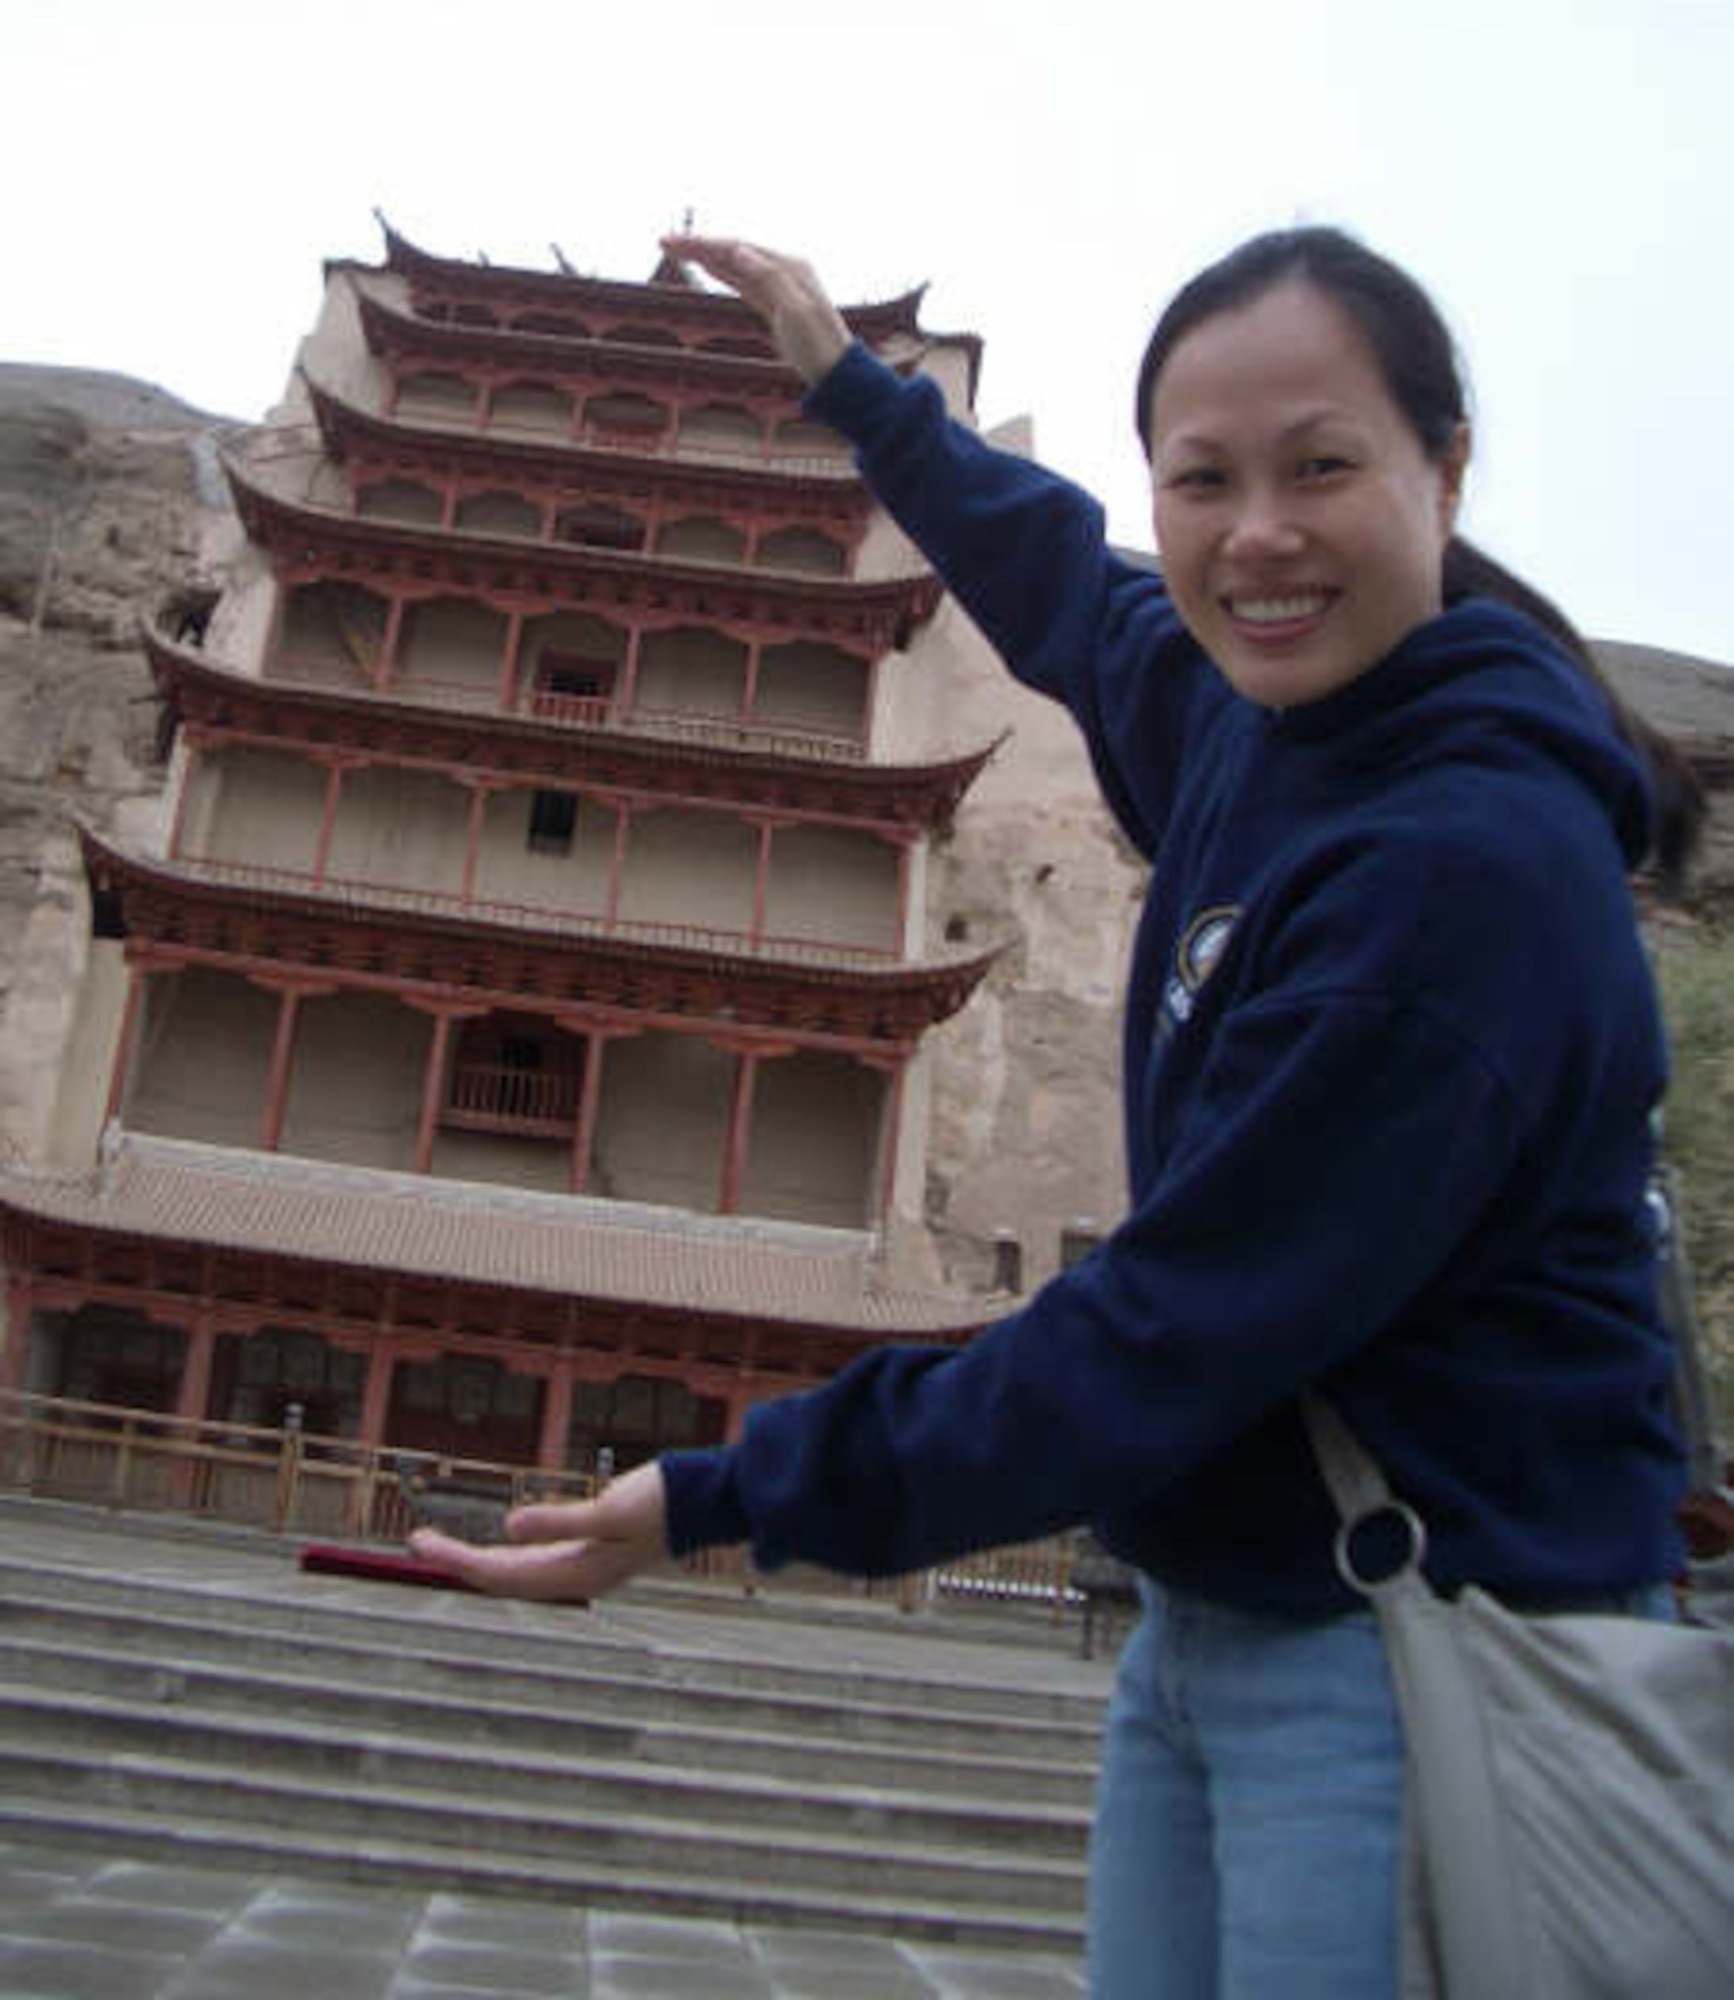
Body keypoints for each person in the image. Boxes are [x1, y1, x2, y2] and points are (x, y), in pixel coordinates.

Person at [411, 228, 1702, 1996]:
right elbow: (1066, 589)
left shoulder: (1459, 879)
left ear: (1444, 466)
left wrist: (725, 1493)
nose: (1255, 534)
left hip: (1424, 1653)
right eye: (1200, 479)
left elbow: (1165, 1333)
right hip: (1217, 1621)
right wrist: (850, 384)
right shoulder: (1268, 718)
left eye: (1320, 467)